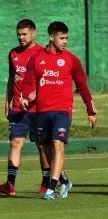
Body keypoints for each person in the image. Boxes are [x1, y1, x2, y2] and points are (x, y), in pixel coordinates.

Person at [21, 21, 97, 200]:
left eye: (67, 38)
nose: (65, 42)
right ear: (51, 37)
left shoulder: (71, 59)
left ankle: (50, 188)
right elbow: (27, 81)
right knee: (47, 150)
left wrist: (91, 110)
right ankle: (64, 181)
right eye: (62, 38)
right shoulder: (37, 58)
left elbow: (83, 87)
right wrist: (24, 96)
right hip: (42, 111)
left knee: (58, 145)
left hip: (63, 110)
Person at [0, 19, 51, 196]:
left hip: (37, 110)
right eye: (18, 34)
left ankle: (46, 183)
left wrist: (34, 95)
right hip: (17, 109)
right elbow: (12, 78)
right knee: (15, 143)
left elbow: (47, 81)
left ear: (34, 33)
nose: (21, 37)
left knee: (42, 146)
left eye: (24, 34)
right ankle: (10, 185)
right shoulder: (13, 53)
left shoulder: (42, 53)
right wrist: (7, 102)